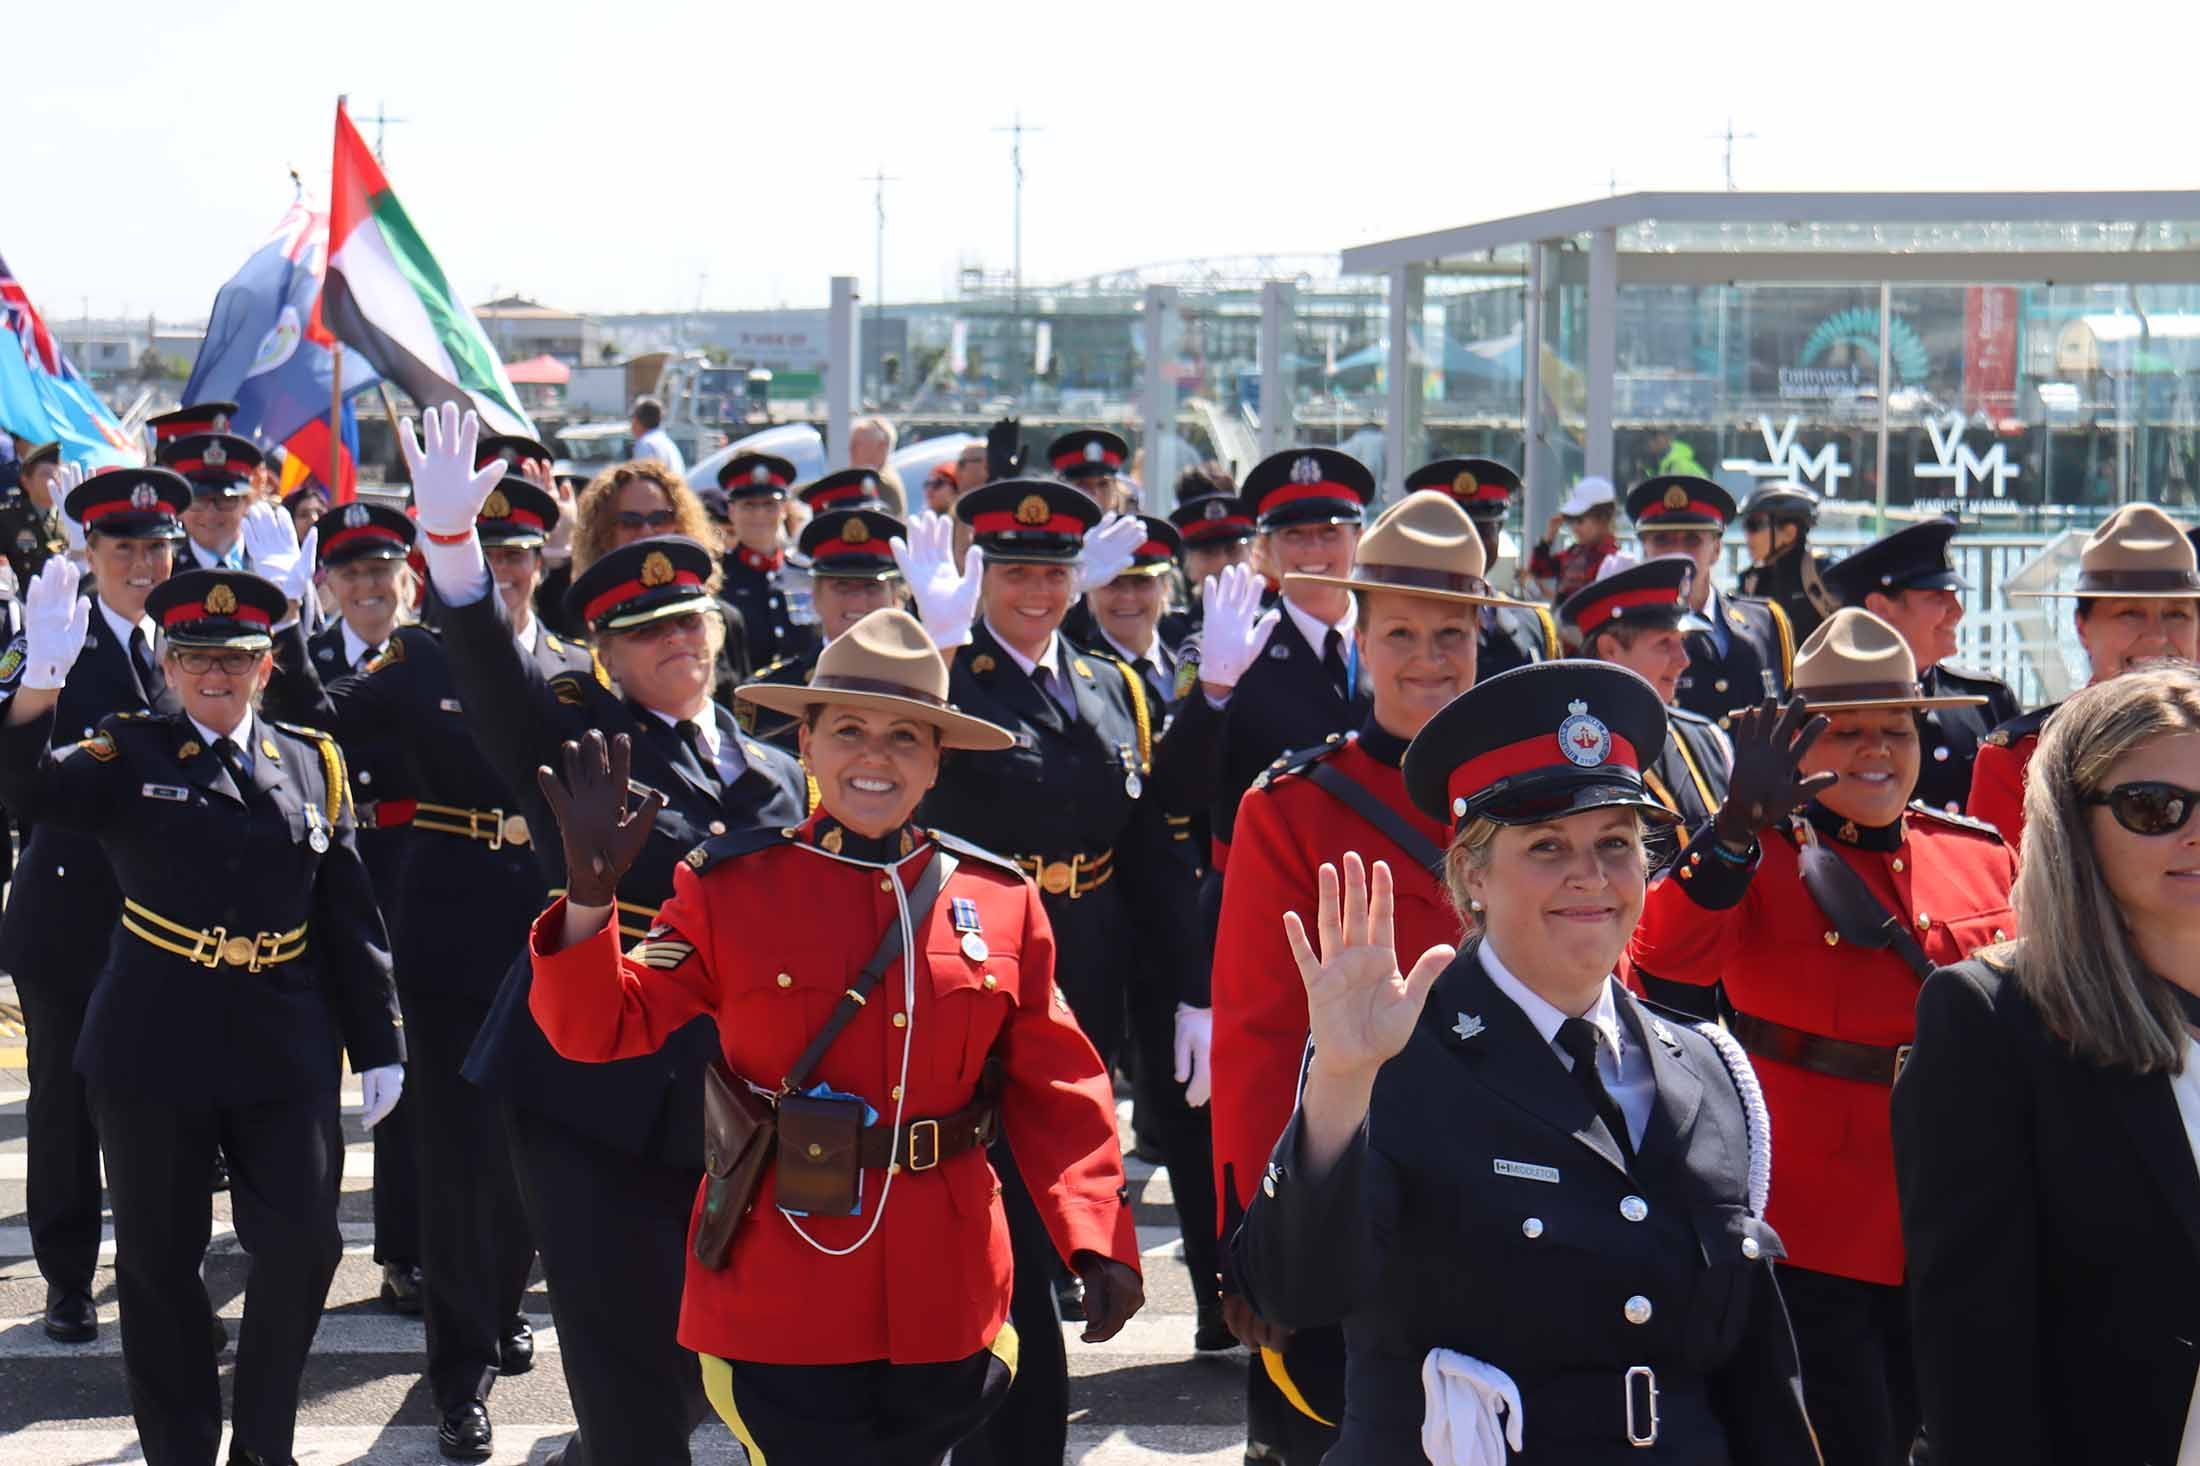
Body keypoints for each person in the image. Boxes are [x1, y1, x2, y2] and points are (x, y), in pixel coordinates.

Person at [525, 610, 1146, 1465]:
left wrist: (1094, 1236)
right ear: (807, 744)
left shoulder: (1000, 898)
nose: (876, 756)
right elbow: (599, 1029)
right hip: (786, 1276)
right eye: (848, 729)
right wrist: (590, 901)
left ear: (936, 761)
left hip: (948, 1280)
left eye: (905, 737)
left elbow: (1061, 1085)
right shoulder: (730, 886)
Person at [1235, 659, 1817, 1464]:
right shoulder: (1396, 1056)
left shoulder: (1709, 1069)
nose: (1591, 876)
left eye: (1617, 843)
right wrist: (1338, 1083)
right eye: (1547, 845)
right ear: (1472, 874)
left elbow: (1755, 1383)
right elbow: (1293, 1291)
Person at [403, 403, 806, 1466]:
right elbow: (496, 682)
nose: (678, 642)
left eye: (691, 622)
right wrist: (452, 556)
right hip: (588, 1092)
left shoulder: (774, 771)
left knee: (699, 1348)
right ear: (608, 654)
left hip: (727, 1097)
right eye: (646, 631)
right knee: (621, 1348)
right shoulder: (578, 737)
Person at [0, 561, 403, 1466]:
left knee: (303, 1248)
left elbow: (347, 912)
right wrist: (36, 689)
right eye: (193, 657)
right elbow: (28, 794)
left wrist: (380, 1040)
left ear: (265, 665)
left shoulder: (312, 760)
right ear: (171, 668)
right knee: (156, 1266)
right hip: (156, 1034)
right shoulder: (127, 751)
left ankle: (263, 1444)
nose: (213, 675)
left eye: (234, 658)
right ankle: (181, 1447)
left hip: (282, 1035)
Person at [1632, 607, 2018, 1466]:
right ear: (1800, 744)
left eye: (1897, 728)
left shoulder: (1979, 854)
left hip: (1958, 1200)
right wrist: (1731, 832)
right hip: (1817, 1222)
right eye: (1847, 732)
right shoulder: (1759, 858)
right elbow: (1664, 957)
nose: (1878, 750)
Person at [264, 482, 589, 1459]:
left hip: (553, 922)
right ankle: (460, 1375)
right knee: (455, 1159)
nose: (506, 571)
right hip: (446, 926)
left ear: (541, 562)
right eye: (486, 555)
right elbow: (323, 733)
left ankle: (497, 1306)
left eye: (522, 554)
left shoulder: (574, 670)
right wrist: (283, 637)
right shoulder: (416, 658)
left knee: (534, 1142)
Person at [890, 477, 1198, 1465]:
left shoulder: (1113, 684)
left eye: (1053, 570)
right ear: (979, 573)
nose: (1036, 589)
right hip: (976, 965)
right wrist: (929, 664)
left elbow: (1148, 845)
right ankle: (990, 1418)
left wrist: (1191, 985)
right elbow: (895, 795)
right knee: (996, 1206)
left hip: (1089, 964)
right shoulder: (956, 672)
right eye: (1014, 569)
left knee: (1053, 1177)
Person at [1211, 491, 1515, 1464]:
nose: (1426, 658)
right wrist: (1261, 1231)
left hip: (1513, 1186)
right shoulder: (1294, 806)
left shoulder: (1528, 796)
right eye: (1400, 634)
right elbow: (1256, 1032)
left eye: (1449, 633)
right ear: (1362, 640)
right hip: (1359, 1185)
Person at [1894, 665, 2200, 1465]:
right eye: (2156, 808)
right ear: (2073, 822)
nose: (2194, 833)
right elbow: (1973, 1354)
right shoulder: (1994, 1019)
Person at [0, 468, 187, 1346]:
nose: (143, 563)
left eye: (156, 546)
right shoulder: (54, 633)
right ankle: (68, 1277)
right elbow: (16, 774)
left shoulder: (185, 642)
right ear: (93, 553)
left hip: (169, 918)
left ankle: (158, 1270)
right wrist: (38, 679)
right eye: (125, 548)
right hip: (70, 915)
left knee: (162, 1104)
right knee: (65, 1105)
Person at [297, 503, 424, 1326]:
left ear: (406, 574)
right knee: (312, 1067)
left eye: (381, 569)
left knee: (406, 1069)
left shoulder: (436, 658)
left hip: (418, 872)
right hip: (325, 878)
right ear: (325, 584)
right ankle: (300, 1242)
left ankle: (406, 1252)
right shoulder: (298, 661)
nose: (368, 586)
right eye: (350, 572)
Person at [1972, 503, 2200, 849]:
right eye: (2130, 613)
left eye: (2176, 614)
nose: (2157, 636)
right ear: (2082, 627)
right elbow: (2000, 894)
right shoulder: (2023, 760)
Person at [1824, 517, 2018, 816]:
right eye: (1937, 596)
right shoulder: (1822, 706)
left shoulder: (1985, 700)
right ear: (1880, 608)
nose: (1958, 610)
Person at [1559, 556, 1729, 849]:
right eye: (1664, 643)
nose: (1684, 660)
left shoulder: (1709, 739)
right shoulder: (1562, 752)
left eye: (1682, 642)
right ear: (1609, 649)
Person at [1626, 475, 1794, 730]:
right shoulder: (1625, 633)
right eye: (1662, 540)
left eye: (1693, 540)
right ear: (1644, 550)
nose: (1677, 551)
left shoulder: (1765, 620)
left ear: (1716, 549)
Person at [741, 504, 907, 749]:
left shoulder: (919, 684)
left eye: (872, 586)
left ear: (895, 599)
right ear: (815, 597)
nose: (858, 600)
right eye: (842, 586)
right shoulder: (769, 695)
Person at [1404, 457, 1557, 681]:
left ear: (1500, 529)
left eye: (1481, 530)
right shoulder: (1397, 624)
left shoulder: (1533, 623)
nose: (1469, 545)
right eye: (1453, 531)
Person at [714, 451, 817, 674]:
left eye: (770, 504)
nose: (760, 514)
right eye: (749, 505)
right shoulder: (716, 579)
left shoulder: (805, 575)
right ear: (731, 510)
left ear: (783, 509)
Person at [1737, 482, 1838, 642]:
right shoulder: (1750, 582)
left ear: (1790, 533)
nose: (1747, 535)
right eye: (1745, 526)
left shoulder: (1824, 572)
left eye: (1753, 525)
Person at [1167, 464, 1254, 604]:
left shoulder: (1277, 619)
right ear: (1189, 565)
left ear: (1251, 553)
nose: (1222, 562)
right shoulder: (1171, 625)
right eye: (1208, 552)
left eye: (1232, 549)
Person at [1527, 475, 1620, 603]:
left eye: (1579, 520)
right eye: (1571, 521)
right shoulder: (1573, 553)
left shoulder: (1613, 561)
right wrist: (1549, 536)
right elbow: (1539, 569)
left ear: (1603, 518)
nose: (1574, 528)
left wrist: (1555, 597)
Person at [1047, 428, 1131, 515]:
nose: (1095, 494)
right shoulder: (1045, 528)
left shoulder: (1132, 527)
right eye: (1082, 484)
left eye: (1103, 484)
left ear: (1115, 489)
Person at [849, 415, 908, 514]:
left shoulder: (880, 483)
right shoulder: (871, 479)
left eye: (857, 444)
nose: (851, 449)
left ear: (882, 446)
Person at [629, 394, 684, 475]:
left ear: (636, 420)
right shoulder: (666, 442)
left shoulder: (646, 444)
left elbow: (644, 482)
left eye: (632, 418)